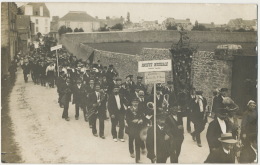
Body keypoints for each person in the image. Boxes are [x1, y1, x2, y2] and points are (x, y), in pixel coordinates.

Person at [125, 98, 146, 163]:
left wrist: (141, 120)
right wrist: (132, 121)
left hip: (139, 127)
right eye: (134, 102)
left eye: (136, 102)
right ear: (131, 103)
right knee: (131, 140)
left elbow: (143, 117)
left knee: (138, 141)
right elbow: (127, 119)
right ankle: (131, 152)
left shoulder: (140, 109)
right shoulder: (128, 110)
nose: (135, 103)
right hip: (131, 127)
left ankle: (138, 159)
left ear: (138, 103)